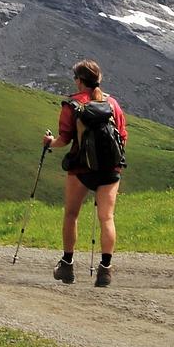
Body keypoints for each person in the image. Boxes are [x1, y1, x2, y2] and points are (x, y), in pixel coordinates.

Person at [45, 58, 126, 287]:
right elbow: (122, 136)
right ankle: (105, 270)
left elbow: (64, 139)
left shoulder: (72, 105)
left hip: (81, 168)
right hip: (111, 169)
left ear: (80, 81)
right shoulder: (113, 104)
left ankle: (67, 266)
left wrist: (49, 142)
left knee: (71, 214)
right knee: (106, 217)